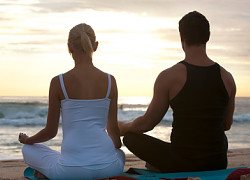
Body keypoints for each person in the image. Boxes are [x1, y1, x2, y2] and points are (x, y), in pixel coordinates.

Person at [119, 11, 236, 173]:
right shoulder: (227, 78)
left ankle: (159, 166)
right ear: (207, 37)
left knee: (130, 138)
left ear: (181, 37)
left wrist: (124, 127)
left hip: (180, 163)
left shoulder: (169, 76)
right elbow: (226, 125)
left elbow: (148, 123)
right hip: (217, 162)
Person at [19, 23, 125, 180]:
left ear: (69, 47)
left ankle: (48, 173)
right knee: (119, 153)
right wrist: (112, 149)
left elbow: (50, 132)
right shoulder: (111, 81)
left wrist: (28, 140)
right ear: (95, 46)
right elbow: (113, 130)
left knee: (27, 150)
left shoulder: (58, 82)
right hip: (109, 169)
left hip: (70, 172)